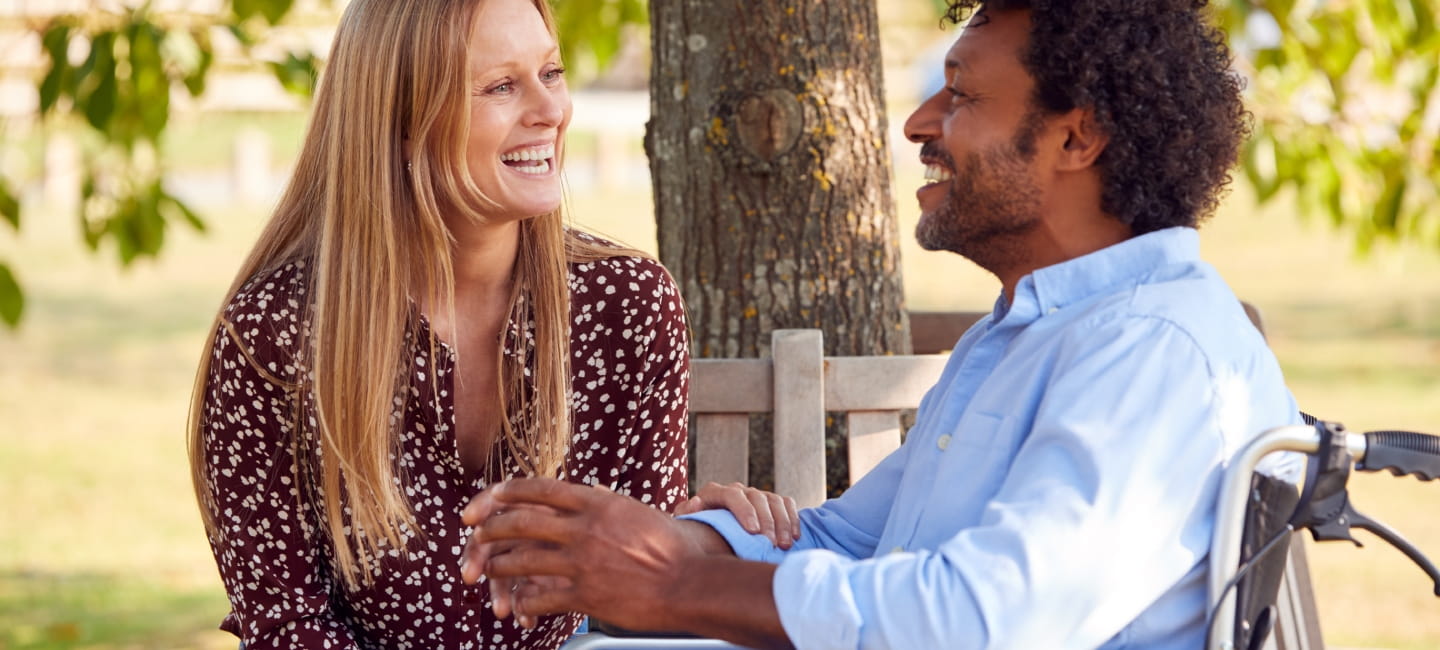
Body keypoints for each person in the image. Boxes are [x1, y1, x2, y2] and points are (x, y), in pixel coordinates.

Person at [459, 1, 1304, 648]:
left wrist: (675, 583)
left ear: (1076, 137)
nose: (919, 122)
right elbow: (849, 540)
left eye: (963, 96)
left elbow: (985, 620)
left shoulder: (1155, 349)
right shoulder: (1031, 335)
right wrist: (651, 542)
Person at [186, 0, 698, 647]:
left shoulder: (626, 304)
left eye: (552, 73)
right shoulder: (274, 336)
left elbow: (643, 598)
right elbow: (286, 623)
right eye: (502, 86)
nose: (551, 111)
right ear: (401, 123)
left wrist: (706, 537)